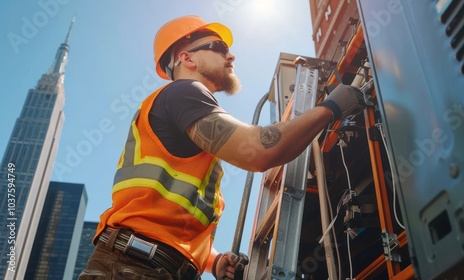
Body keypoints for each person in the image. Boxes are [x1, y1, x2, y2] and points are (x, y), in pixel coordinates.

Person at [78, 15, 364, 280]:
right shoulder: (184, 92)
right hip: (134, 268)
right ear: (186, 58)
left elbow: (166, 226)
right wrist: (332, 107)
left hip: (143, 265)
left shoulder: (183, 113)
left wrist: (213, 261)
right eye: (218, 47)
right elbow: (260, 150)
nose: (231, 55)